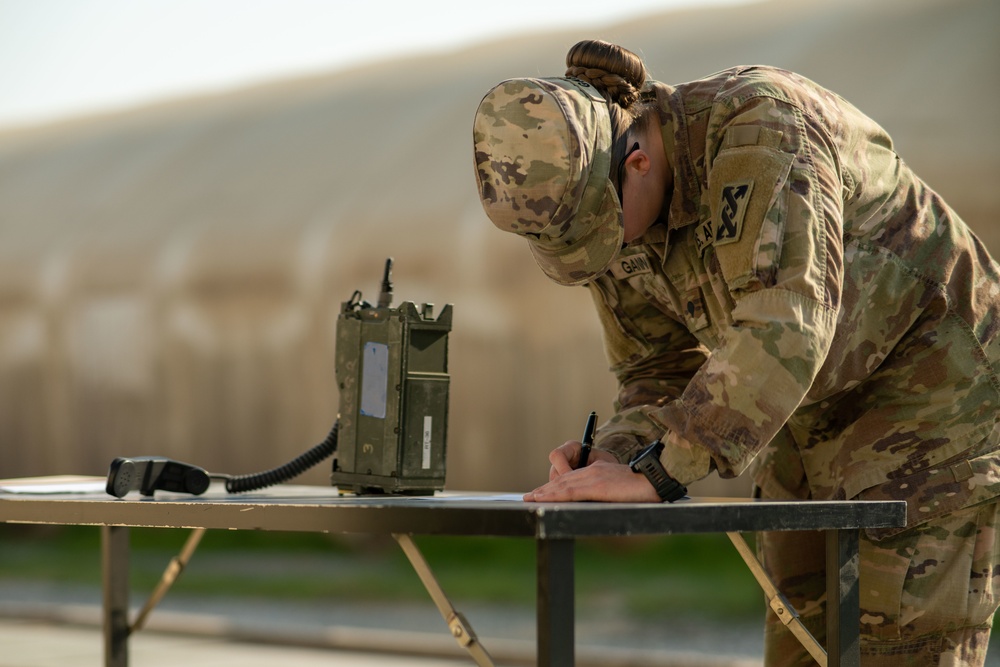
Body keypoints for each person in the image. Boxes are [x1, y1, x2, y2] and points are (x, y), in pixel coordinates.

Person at [472, 39, 1000, 666]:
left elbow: (787, 322)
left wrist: (661, 468)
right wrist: (611, 458)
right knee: (802, 644)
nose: (601, 257)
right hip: (797, 409)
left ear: (636, 161)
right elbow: (656, 369)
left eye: (597, 235)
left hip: (931, 403)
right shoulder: (609, 209)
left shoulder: (758, 131)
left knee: (896, 648)